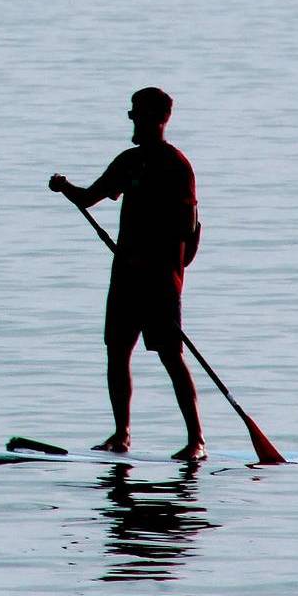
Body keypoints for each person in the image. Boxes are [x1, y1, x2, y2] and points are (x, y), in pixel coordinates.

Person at [48, 87, 206, 461]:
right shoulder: (129, 161)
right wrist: (63, 186)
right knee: (117, 353)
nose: (130, 118)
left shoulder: (176, 166)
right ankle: (121, 436)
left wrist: (168, 272)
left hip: (160, 282)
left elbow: (189, 231)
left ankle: (196, 440)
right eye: (132, 111)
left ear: (158, 118)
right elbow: (89, 198)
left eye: (136, 112)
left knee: (170, 356)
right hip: (125, 278)